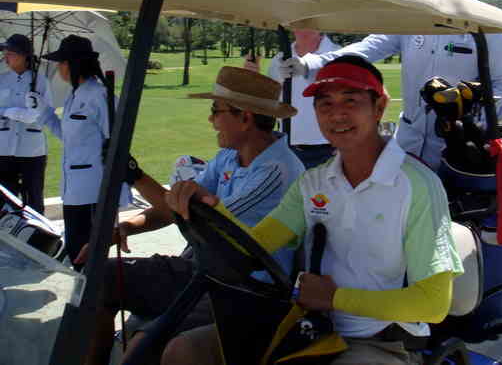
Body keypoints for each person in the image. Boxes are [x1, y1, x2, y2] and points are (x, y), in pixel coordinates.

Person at [162, 56, 464, 365]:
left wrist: (333, 298)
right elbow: (253, 249)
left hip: (379, 340)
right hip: (307, 328)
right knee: (183, 351)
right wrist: (212, 206)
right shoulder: (312, 183)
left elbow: (433, 303)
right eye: (325, 104)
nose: (337, 114)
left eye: (350, 100)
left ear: (379, 107)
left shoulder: (417, 186)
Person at [78, 66, 305, 365]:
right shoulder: (229, 156)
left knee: (147, 343)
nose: (211, 120)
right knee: (97, 280)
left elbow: (199, 217)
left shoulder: (277, 171)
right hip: (202, 269)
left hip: (243, 290)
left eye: (215, 110)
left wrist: (133, 174)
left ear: (245, 118)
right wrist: (126, 228)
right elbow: (175, 209)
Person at [279, 0, 502, 170]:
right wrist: (312, 64)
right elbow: (369, 48)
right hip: (407, 143)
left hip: (459, 149)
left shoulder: (486, 26)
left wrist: (474, 128)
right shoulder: (411, 20)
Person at [32, 35, 132, 269]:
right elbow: (68, 137)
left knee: (88, 257)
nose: (58, 68)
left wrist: (117, 193)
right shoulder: (74, 96)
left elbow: (117, 144)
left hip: (94, 191)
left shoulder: (101, 96)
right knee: (77, 252)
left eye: (61, 62)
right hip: (73, 190)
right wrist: (44, 111)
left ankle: (95, 293)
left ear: (72, 64)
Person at [245, 30, 340, 169]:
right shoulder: (279, 59)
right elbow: (269, 104)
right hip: (288, 150)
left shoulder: (339, 55)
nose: (302, 27)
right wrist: (253, 77)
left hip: (332, 151)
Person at [0, 34, 53, 214]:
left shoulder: (41, 81)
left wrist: (8, 112)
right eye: (5, 53)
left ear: (24, 56)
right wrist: (12, 112)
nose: (5, 57)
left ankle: (35, 231)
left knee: (34, 200)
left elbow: (41, 115)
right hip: (3, 149)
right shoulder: (1, 80)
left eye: (10, 53)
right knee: (4, 201)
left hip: (32, 151)